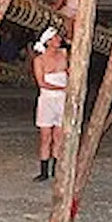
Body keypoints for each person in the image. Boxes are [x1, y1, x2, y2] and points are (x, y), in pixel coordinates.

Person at [31, 26, 67, 181]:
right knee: (46, 137)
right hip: (48, 99)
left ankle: (56, 170)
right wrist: (63, 88)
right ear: (48, 41)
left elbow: (71, 71)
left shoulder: (64, 54)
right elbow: (42, 83)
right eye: (55, 38)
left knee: (59, 136)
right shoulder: (39, 60)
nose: (59, 40)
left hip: (62, 100)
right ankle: (44, 171)